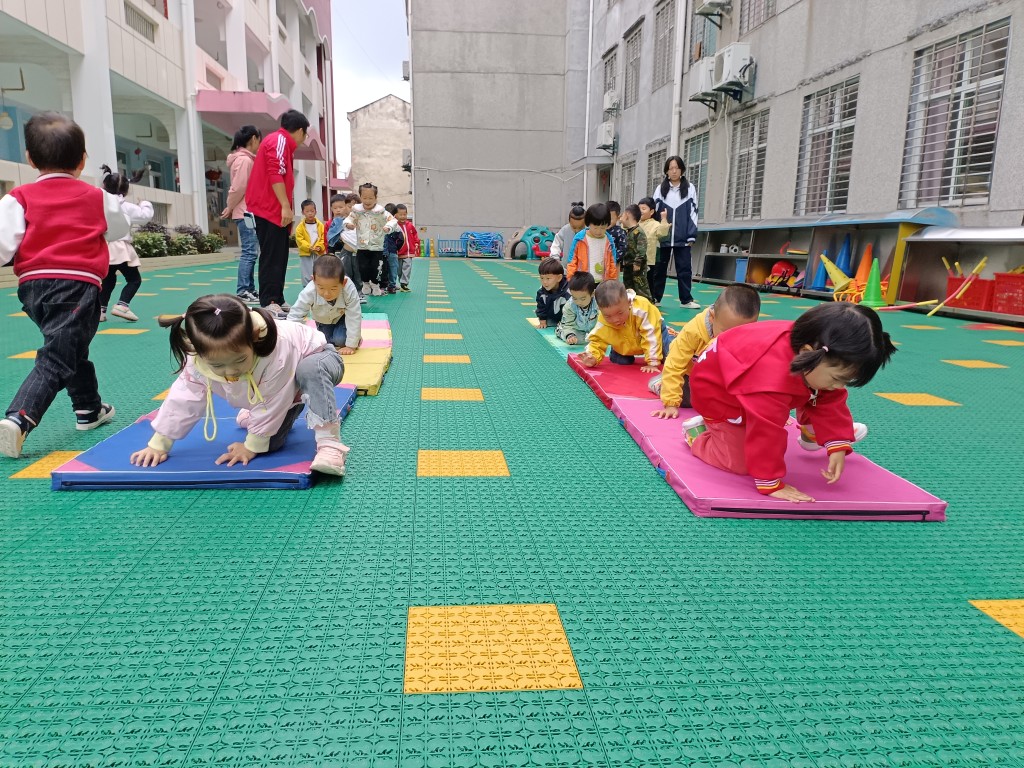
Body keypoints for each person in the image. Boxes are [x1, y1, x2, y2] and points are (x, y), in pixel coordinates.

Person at [0, 112, 129, 459]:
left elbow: (2, 246)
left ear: (30, 159)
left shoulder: (18, 197)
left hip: (33, 288)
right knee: (59, 354)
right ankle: (20, 417)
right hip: (76, 284)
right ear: (82, 160)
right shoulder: (97, 196)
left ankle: (89, 409)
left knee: (69, 345)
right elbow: (119, 230)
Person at [685, 302, 894, 502]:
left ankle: (813, 431)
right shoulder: (771, 380)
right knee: (740, 463)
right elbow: (766, 431)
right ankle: (701, 434)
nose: (840, 386)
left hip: (752, 377)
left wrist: (837, 442)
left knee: (821, 390)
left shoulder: (815, 346)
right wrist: (771, 483)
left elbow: (832, 399)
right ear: (806, 352)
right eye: (837, 378)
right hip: (718, 394)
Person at [129, 294, 349, 476]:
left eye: (239, 360)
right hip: (283, 386)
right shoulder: (197, 360)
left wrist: (250, 446)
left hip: (322, 359)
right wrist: (159, 443)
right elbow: (183, 400)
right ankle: (286, 406)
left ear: (253, 339)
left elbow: (272, 400)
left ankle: (329, 443)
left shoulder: (276, 349)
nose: (230, 371)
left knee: (308, 370)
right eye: (218, 365)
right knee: (269, 444)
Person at [650, 283, 761, 417]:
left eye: (740, 334)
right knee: (687, 399)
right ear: (712, 317)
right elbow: (674, 365)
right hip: (691, 373)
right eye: (726, 333)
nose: (733, 340)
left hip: (719, 376)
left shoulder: (751, 335)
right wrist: (671, 404)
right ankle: (659, 383)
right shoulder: (693, 332)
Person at [246, 109, 309, 315]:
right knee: (271, 256)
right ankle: (269, 301)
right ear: (300, 130)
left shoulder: (283, 144)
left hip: (274, 211)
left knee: (280, 256)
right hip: (268, 210)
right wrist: (285, 205)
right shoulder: (279, 140)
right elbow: (275, 172)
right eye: (305, 134)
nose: (304, 139)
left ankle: (277, 298)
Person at [98, 163, 154, 323]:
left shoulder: (100, 204)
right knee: (134, 279)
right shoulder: (126, 207)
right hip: (120, 248)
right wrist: (144, 203)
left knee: (108, 281)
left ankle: (100, 311)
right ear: (126, 190)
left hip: (105, 247)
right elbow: (145, 216)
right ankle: (122, 305)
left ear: (105, 186)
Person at [578, 280, 671, 374]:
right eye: (608, 316)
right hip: (626, 340)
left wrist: (653, 363)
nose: (615, 320)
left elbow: (651, 336)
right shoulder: (603, 320)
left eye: (620, 313)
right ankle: (617, 349)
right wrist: (592, 357)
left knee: (669, 357)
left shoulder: (642, 310)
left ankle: (670, 336)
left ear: (629, 302)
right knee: (622, 361)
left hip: (655, 332)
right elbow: (597, 340)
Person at [287, 255, 361, 355]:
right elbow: (296, 314)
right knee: (324, 342)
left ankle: (356, 338)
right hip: (323, 321)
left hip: (342, 318)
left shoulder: (349, 289)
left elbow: (354, 315)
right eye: (321, 288)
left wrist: (351, 345)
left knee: (340, 340)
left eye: (333, 289)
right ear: (314, 280)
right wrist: (290, 341)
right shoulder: (310, 290)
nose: (327, 294)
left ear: (343, 282)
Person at [221, 125, 262, 303]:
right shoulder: (245, 160)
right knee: (249, 252)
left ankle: (249, 289)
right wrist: (229, 207)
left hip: (245, 211)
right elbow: (239, 187)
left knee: (251, 252)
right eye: (259, 140)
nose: (259, 144)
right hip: (246, 212)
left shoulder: (244, 159)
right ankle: (243, 290)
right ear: (253, 138)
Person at [652, 155, 700, 308]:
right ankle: (655, 298)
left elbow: (694, 212)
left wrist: (691, 235)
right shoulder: (660, 189)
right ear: (666, 171)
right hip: (663, 237)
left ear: (682, 170)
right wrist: (655, 233)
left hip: (683, 238)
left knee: (684, 269)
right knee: (659, 269)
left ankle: (686, 300)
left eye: (677, 168)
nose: (674, 171)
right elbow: (654, 212)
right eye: (671, 168)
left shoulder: (690, 188)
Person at [344, 182, 398, 296]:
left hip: (377, 246)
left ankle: (375, 284)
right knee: (362, 267)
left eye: (370, 198)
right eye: (364, 198)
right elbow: (349, 219)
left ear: (376, 198)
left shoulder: (381, 212)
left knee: (376, 267)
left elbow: (393, 220)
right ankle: (365, 283)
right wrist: (348, 224)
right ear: (360, 197)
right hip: (362, 246)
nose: (367, 201)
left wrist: (388, 227)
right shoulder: (357, 211)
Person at [565, 203, 619, 282]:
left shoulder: (609, 240)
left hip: (603, 282)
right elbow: (572, 261)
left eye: (603, 228)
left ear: (608, 225)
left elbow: (612, 262)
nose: (599, 231)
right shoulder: (580, 238)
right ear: (588, 223)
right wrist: (571, 279)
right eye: (595, 228)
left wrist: (612, 281)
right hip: (583, 282)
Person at [326, 192, 364, 301]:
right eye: (349, 206)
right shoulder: (339, 222)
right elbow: (331, 236)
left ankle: (359, 293)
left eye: (354, 207)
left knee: (358, 273)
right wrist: (331, 251)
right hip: (346, 252)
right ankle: (347, 294)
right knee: (346, 273)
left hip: (358, 252)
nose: (351, 209)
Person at [637, 197, 670, 302]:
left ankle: (650, 301)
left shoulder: (655, 224)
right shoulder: (636, 223)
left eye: (644, 208)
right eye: (639, 208)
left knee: (648, 281)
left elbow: (663, 233)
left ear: (651, 212)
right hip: (636, 259)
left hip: (649, 259)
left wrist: (664, 219)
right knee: (636, 281)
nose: (641, 211)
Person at [619, 204, 653, 302]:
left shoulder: (638, 232)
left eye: (622, 215)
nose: (621, 219)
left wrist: (637, 262)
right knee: (629, 288)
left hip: (637, 267)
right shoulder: (628, 232)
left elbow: (641, 248)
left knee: (641, 288)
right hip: (628, 265)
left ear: (627, 215)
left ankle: (648, 305)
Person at [556, 271, 599, 345]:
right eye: (575, 298)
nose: (578, 302)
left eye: (583, 299)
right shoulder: (570, 306)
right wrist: (570, 335)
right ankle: (560, 330)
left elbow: (603, 321)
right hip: (576, 329)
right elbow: (568, 325)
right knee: (578, 339)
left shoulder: (599, 302)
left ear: (592, 294)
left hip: (592, 330)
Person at [294, 199, 326, 287]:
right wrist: (308, 247)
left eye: (312, 211)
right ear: (303, 212)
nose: (310, 213)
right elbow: (300, 240)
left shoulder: (320, 225)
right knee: (306, 272)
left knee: (319, 271)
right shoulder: (300, 227)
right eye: (307, 211)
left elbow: (323, 237)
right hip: (306, 253)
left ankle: (319, 288)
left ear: (316, 211)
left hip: (318, 252)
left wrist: (319, 246)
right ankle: (307, 289)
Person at [535, 256, 570, 329]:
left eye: (548, 278)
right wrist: (542, 320)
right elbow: (541, 307)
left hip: (569, 319)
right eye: (542, 278)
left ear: (559, 278)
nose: (545, 282)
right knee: (550, 323)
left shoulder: (568, 291)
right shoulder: (541, 292)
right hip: (552, 318)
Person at [395, 203, 420, 292]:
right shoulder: (395, 226)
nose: (403, 216)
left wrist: (416, 243)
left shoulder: (410, 225)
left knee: (407, 267)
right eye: (400, 214)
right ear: (396, 215)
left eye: (404, 214)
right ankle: (401, 281)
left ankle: (404, 283)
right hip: (399, 252)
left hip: (409, 252)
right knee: (399, 270)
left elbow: (415, 234)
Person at [382, 202, 405, 294]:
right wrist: (396, 248)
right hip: (390, 251)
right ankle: (391, 286)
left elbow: (401, 239)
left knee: (384, 268)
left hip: (386, 251)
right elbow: (401, 239)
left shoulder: (393, 225)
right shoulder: (396, 225)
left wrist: (395, 248)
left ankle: (386, 286)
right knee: (392, 268)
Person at [606, 200, 626, 265]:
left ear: (618, 218)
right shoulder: (600, 230)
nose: (607, 221)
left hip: (613, 263)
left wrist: (614, 259)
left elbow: (623, 248)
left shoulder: (620, 232)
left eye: (611, 219)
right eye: (606, 218)